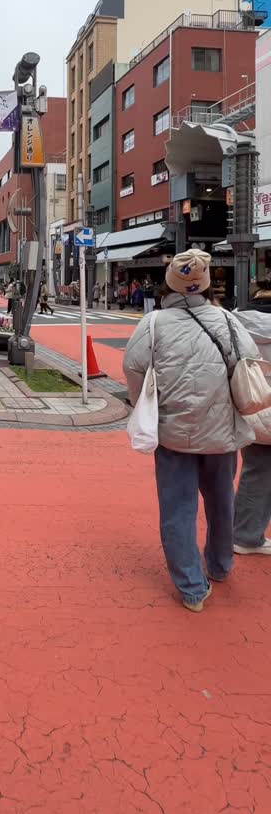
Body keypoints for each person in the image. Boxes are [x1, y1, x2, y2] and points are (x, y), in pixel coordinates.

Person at [123, 249, 259, 612]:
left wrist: (144, 404)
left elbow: (133, 368)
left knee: (177, 509)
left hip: (173, 433)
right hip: (222, 432)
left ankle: (192, 589)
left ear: (169, 284)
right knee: (221, 501)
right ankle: (220, 565)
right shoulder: (227, 320)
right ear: (207, 285)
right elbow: (248, 361)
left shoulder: (153, 324)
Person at [233, 282, 271, 556]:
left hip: (251, 406)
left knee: (255, 469)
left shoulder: (236, 323)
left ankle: (247, 533)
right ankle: (246, 535)